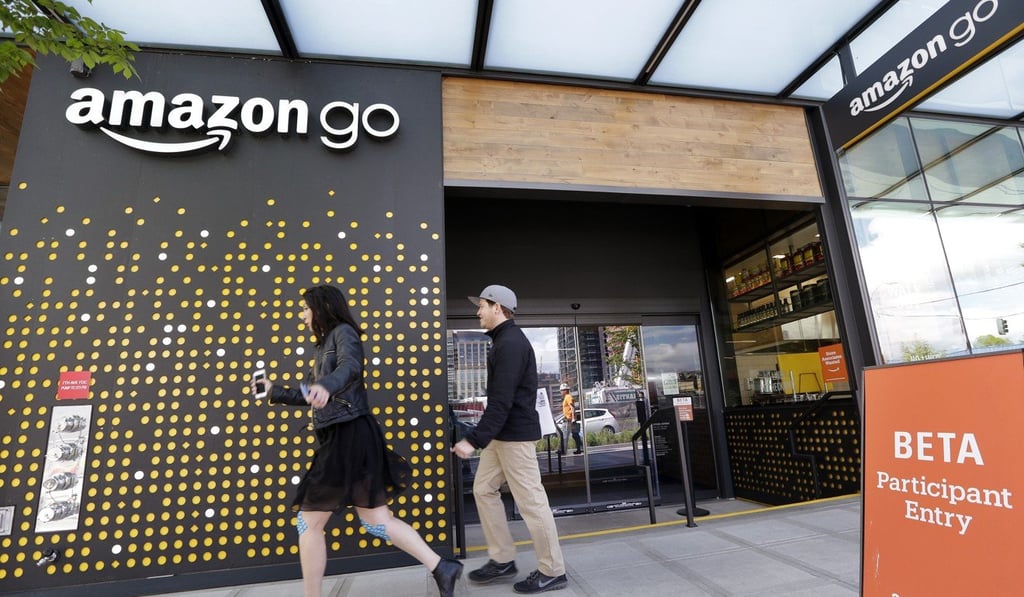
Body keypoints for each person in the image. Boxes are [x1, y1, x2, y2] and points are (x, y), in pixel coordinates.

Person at [251, 284, 462, 597]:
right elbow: (313, 396)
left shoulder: (343, 333)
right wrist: (273, 390)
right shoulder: (322, 347)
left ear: (321, 308)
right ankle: (442, 567)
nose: (303, 315)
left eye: (306, 309)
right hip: (349, 435)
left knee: (308, 524)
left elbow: (350, 367)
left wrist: (326, 384)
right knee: (376, 522)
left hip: (346, 435)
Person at [452, 284, 568, 594]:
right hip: (503, 435)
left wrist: (473, 440)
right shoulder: (502, 342)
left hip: (514, 437)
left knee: (532, 503)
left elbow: (501, 401)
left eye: (482, 305)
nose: (477, 311)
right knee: (483, 489)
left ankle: (553, 571)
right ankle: (502, 559)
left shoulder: (511, 344)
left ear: (498, 308)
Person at [559, 384, 583, 455]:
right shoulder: (566, 397)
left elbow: (572, 407)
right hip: (569, 418)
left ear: (565, 390)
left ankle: (563, 451)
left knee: (565, 435)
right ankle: (580, 449)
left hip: (569, 419)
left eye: (562, 390)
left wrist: (572, 418)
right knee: (575, 435)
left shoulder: (568, 397)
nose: (561, 392)